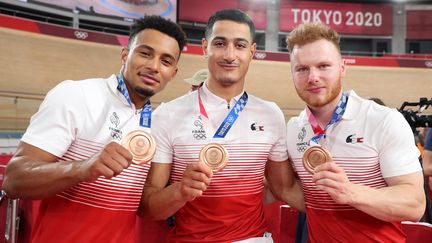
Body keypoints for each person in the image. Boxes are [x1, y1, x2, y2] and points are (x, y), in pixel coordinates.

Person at [2, 15, 186, 243]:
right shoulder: (75, 95)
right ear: (125, 54)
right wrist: (83, 168)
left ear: (173, 73)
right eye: (145, 53)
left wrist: (182, 190)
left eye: (166, 61)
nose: (153, 66)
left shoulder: (156, 124)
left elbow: (144, 208)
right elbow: (14, 179)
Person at [141, 9, 303, 242]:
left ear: (252, 52)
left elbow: (285, 189)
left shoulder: (271, 114)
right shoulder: (168, 114)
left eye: (239, 45)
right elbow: (148, 207)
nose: (229, 55)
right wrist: (180, 190)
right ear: (204, 47)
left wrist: (344, 205)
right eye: (220, 43)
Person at [285, 22, 425, 242]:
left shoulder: (383, 120)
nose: (313, 77)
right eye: (302, 68)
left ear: (342, 68)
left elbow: (415, 204)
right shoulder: (294, 130)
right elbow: (290, 189)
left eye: (323, 66)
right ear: (292, 73)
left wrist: (351, 193)